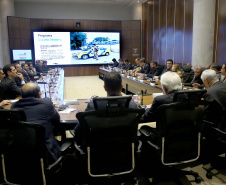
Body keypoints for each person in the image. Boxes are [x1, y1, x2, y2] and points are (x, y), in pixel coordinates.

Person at [74, 71, 137, 144]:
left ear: (104, 88)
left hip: (97, 149)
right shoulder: (132, 106)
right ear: (121, 87)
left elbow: (78, 130)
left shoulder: (93, 105)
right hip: (125, 148)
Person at [11, 83, 61, 163]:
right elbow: (57, 121)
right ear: (38, 95)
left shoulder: (14, 107)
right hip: (46, 152)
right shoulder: (46, 103)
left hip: (20, 153)